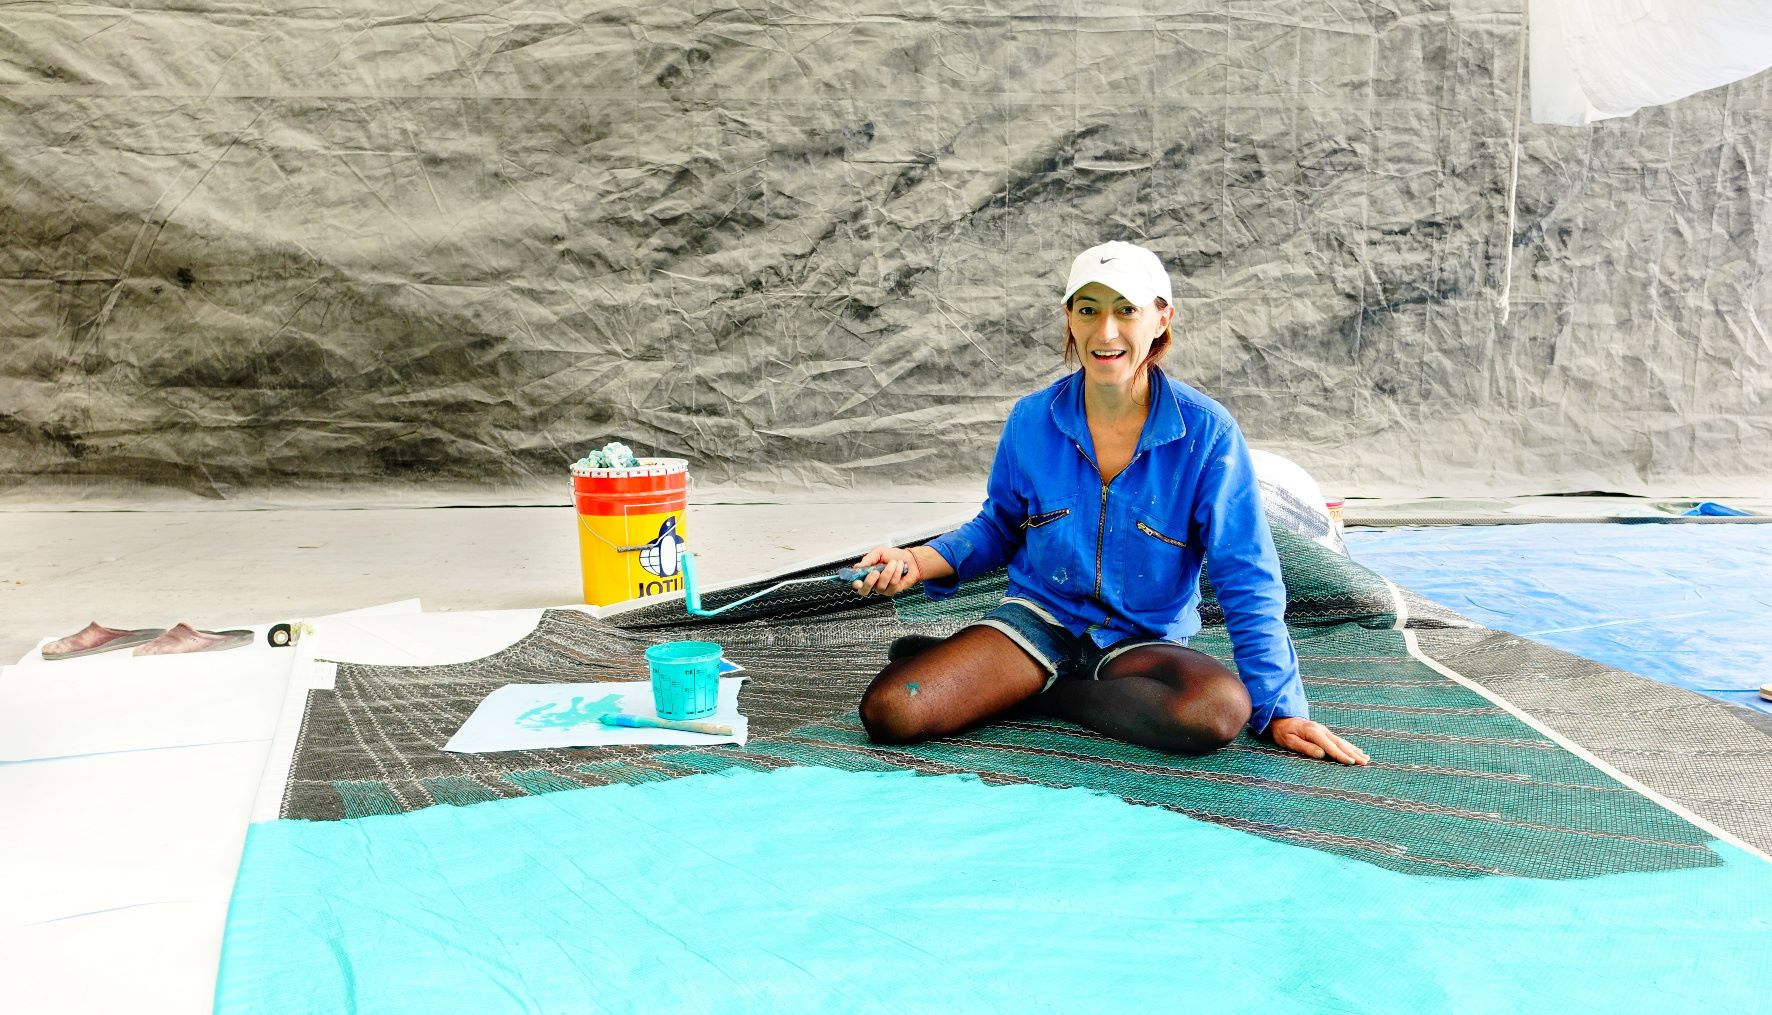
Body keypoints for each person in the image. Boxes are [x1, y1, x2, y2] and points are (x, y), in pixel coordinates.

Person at [849, 241, 1368, 766]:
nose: (1106, 332)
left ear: (1162, 319)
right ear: (1069, 318)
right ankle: (1013, 675)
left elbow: (1247, 574)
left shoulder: (1208, 434)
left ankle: (1039, 692)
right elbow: (997, 527)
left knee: (1216, 710)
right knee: (894, 710)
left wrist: (1280, 709)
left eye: (1126, 310)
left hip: (1141, 640)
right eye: (1088, 310)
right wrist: (915, 562)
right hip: (1038, 621)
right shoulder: (1032, 420)